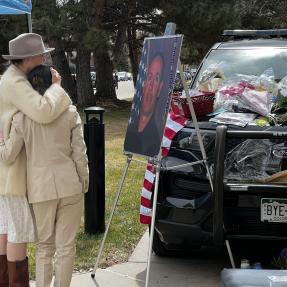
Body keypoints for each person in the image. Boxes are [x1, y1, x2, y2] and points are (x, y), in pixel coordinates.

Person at [0, 64, 89, 287]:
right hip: (70, 186)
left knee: (44, 248)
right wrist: (83, 183)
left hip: (40, 191)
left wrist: (1, 140)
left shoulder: (21, 119)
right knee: (66, 247)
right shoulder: (70, 113)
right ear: (53, 85)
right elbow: (80, 153)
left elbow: (9, 156)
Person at [124, 49, 165, 157]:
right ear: (144, 82)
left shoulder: (155, 139)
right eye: (149, 77)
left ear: (159, 89)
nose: (151, 85)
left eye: (156, 78)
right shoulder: (131, 128)